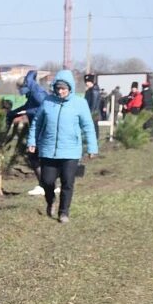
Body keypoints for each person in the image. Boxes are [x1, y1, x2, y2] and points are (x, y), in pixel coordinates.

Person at [27, 70, 99, 223]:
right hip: (48, 150)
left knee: (67, 182)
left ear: (70, 88)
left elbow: (88, 126)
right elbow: (36, 123)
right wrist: (32, 142)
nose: (60, 91)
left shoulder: (80, 103)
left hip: (71, 151)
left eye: (63, 89)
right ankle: (51, 200)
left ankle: (63, 212)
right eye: (58, 88)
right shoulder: (47, 102)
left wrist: (92, 147)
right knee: (47, 181)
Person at [8, 71, 49, 196]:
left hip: (41, 128)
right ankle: (47, 184)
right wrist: (13, 113)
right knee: (36, 157)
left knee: (35, 156)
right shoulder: (32, 92)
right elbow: (27, 106)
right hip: (37, 128)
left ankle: (45, 185)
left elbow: (45, 108)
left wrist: (29, 113)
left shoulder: (37, 93)